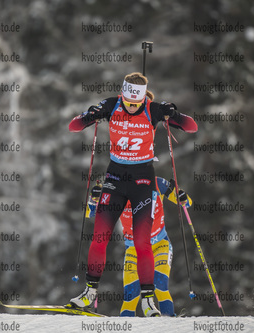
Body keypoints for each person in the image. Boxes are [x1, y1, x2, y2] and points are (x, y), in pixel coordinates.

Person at [68, 72, 197, 317]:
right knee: (100, 236)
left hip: (142, 182)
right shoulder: (110, 105)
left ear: (142, 100)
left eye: (136, 104)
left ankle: (148, 301)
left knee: (141, 242)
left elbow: (192, 126)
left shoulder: (154, 109)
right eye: (128, 102)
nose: (131, 107)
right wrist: (89, 115)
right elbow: (74, 125)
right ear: (123, 94)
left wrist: (174, 113)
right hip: (115, 179)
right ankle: (89, 292)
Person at [87, 177, 192, 317]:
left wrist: (182, 196)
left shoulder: (157, 183)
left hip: (160, 245)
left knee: (159, 283)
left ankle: (168, 323)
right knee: (130, 295)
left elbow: (187, 203)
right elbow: (90, 213)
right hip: (134, 249)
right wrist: (94, 200)